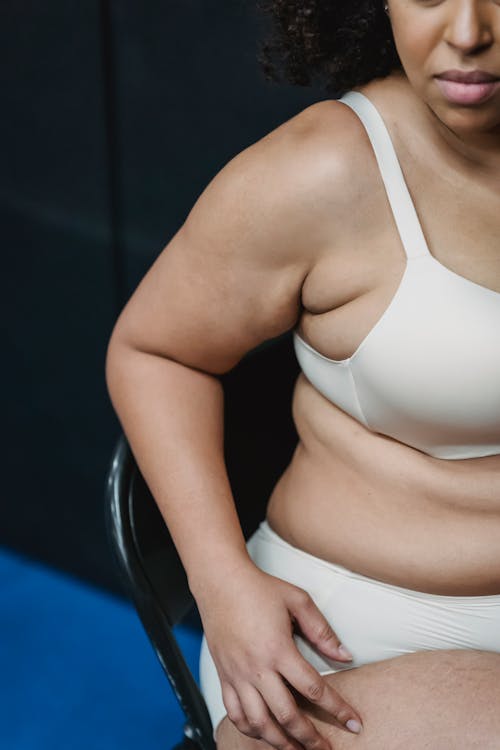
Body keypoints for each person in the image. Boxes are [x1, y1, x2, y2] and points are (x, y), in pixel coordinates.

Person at [105, 0, 500, 748]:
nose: (468, 30)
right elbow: (155, 353)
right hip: (356, 634)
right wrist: (221, 588)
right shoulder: (323, 172)